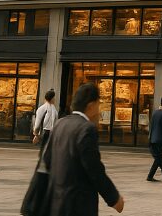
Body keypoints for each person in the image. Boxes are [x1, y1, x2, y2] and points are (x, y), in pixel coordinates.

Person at [42, 82, 124, 215]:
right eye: (99, 105)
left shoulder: (60, 124)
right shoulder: (87, 129)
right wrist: (115, 199)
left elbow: (46, 161)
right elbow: (95, 169)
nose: (99, 111)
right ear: (91, 106)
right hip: (78, 205)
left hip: (57, 203)